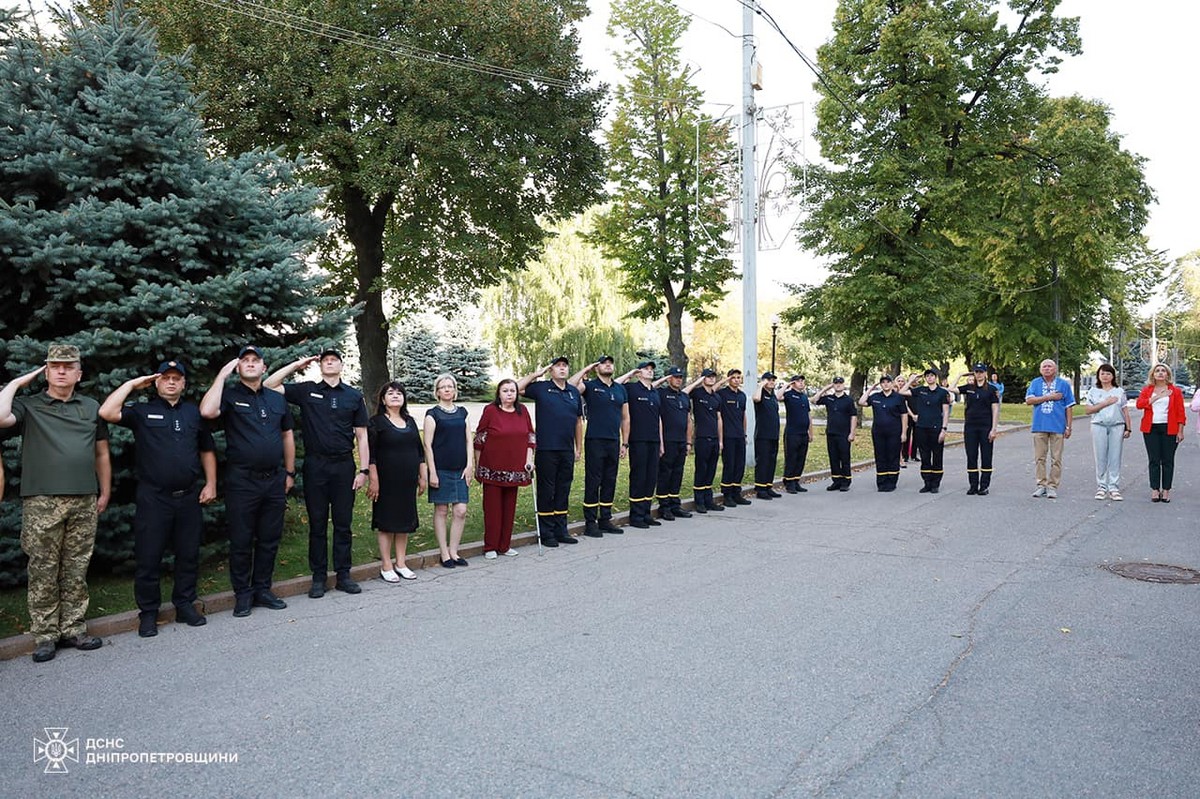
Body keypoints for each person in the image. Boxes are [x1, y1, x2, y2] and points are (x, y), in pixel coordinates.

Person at [0, 344, 111, 663]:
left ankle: (74, 628)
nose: (61, 370)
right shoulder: (28, 405)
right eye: (55, 366)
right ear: (46, 371)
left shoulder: (91, 406)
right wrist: (16, 383)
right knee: (43, 568)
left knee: (77, 567)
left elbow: (101, 453)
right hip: (41, 501)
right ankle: (46, 635)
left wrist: (104, 490)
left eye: (68, 366)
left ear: (79, 373)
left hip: (83, 498)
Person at [99, 360, 217, 637]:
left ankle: (185, 604)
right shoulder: (142, 411)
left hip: (188, 497)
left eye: (177, 378)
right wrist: (131, 384)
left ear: (184, 383)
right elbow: (107, 412)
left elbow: (207, 449)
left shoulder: (193, 413)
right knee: (149, 557)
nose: (172, 382)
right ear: (157, 382)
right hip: (154, 498)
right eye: (166, 378)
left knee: (188, 555)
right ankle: (149, 613)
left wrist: (211, 483)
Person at [265, 349, 370, 598]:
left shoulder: (353, 396)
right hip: (316, 466)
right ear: (320, 365)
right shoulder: (307, 390)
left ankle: (343, 575)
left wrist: (364, 469)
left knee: (343, 523)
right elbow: (270, 384)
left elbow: (362, 436)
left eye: (334, 359)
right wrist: (298, 363)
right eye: (325, 360)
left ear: (342, 365)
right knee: (318, 524)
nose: (330, 362)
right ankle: (319, 577)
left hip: (344, 467)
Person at [200, 345, 295, 617]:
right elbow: (207, 411)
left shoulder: (277, 399)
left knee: (269, 539)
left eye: (256, 360)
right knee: (241, 540)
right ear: (238, 368)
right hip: (242, 481)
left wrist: (289, 473)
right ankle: (243, 594)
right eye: (245, 361)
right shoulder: (229, 397)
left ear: (264, 368)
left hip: (274, 480)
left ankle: (263, 589)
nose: (251, 364)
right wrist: (221, 375)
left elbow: (287, 435)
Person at [518, 357, 583, 547]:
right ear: (551, 370)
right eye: (558, 366)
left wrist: (578, 448)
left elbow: (578, 422)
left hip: (566, 449)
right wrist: (536, 375)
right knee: (547, 490)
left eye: (565, 366)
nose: (562, 369)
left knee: (564, 488)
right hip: (547, 448)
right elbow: (516, 388)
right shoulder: (542, 388)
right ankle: (547, 533)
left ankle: (561, 530)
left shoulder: (573, 392)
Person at [367, 382, 426, 581]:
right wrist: (373, 479)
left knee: (404, 522)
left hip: (407, 481)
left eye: (399, 393)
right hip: (386, 481)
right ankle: (386, 565)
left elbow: (419, 452)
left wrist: (422, 475)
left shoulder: (409, 422)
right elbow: (371, 454)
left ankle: (401, 563)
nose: (395, 396)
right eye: (390, 393)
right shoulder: (376, 422)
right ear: (383, 399)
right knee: (387, 522)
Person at [474, 379, 535, 557]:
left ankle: (505, 545)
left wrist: (529, 460)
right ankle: (490, 546)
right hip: (492, 466)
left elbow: (530, 437)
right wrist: (478, 465)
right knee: (492, 509)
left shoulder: (522, 411)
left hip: (515, 467)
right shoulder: (491, 411)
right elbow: (479, 439)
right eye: (505, 391)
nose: (509, 394)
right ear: (498, 393)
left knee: (509, 508)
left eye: (512, 391)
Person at [570, 355, 629, 536]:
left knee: (609, 480)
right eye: (603, 363)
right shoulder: (590, 386)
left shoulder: (620, 389)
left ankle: (605, 519)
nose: (608, 365)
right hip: (595, 439)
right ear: (597, 368)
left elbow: (625, 417)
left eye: (610, 362)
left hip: (614, 441)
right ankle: (590, 522)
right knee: (593, 481)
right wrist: (587, 367)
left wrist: (625, 443)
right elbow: (570, 386)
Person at [423, 374, 473, 567]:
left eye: (450, 386)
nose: (446, 389)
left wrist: (469, 465)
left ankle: (454, 551)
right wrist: (432, 472)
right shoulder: (432, 414)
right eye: (442, 387)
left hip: (460, 468)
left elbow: (469, 440)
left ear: (454, 390)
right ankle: (444, 553)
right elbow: (427, 445)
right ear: (437, 392)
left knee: (460, 510)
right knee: (442, 510)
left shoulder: (463, 412)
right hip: (441, 469)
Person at [1024, 359, 1075, 499]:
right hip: (1039, 425)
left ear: (1055, 369)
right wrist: (1049, 397)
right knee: (1040, 457)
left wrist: (1068, 426)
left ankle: (1052, 486)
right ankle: (1041, 485)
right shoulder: (1035, 383)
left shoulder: (1063, 384)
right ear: (1040, 369)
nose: (1047, 369)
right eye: (1044, 366)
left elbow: (1069, 406)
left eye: (1050, 366)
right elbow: (1029, 400)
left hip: (1058, 426)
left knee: (1056, 458)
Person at [621, 360, 663, 528]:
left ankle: (646, 512)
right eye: (646, 369)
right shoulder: (631, 388)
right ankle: (636, 515)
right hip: (638, 440)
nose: (650, 371)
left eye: (651, 369)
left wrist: (661, 442)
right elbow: (615, 383)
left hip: (654, 440)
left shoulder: (655, 392)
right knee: (638, 477)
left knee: (651, 477)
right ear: (638, 373)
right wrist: (630, 374)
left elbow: (659, 419)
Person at [947, 364, 1000, 496]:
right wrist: (959, 375)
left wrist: (993, 429)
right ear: (974, 373)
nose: (979, 374)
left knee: (986, 456)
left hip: (985, 427)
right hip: (970, 427)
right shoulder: (969, 388)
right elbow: (951, 389)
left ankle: (984, 486)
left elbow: (995, 410)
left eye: (981, 372)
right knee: (971, 456)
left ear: (985, 373)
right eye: (976, 372)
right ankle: (973, 485)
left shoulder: (992, 389)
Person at [1137, 363, 1186, 503]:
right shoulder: (1147, 390)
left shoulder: (1175, 391)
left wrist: (1180, 431)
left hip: (1169, 428)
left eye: (1163, 371)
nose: (1160, 373)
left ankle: (1166, 490)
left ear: (1167, 374)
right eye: (1157, 371)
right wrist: (1156, 397)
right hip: (1151, 428)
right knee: (1154, 460)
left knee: (1168, 460)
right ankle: (1154, 489)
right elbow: (1140, 404)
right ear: (1153, 374)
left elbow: (1180, 413)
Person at [1084, 364, 1131, 501]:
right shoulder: (1093, 391)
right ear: (1098, 375)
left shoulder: (1119, 391)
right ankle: (1101, 487)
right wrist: (1106, 402)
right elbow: (1088, 410)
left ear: (1113, 376)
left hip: (1117, 425)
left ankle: (1114, 487)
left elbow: (1125, 410)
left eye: (1108, 374)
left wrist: (1128, 428)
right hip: (1099, 425)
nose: (1105, 376)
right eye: (1102, 373)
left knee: (1115, 456)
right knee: (1100, 456)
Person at [900, 369, 951, 493]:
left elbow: (945, 412)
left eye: (932, 376)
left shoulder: (942, 392)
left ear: (935, 377)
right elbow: (902, 391)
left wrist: (944, 429)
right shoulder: (920, 390)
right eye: (927, 376)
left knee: (937, 456)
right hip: (922, 428)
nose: (929, 378)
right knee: (924, 456)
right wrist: (912, 379)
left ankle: (935, 484)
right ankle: (927, 482)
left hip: (936, 428)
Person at [683, 369, 726, 512]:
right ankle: (699, 501)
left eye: (713, 377)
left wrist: (720, 440)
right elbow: (684, 392)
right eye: (708, 377)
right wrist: (698, 381)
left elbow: (719, 419)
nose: (711, 379)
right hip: (701, 437)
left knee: (711, 470)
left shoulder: (716, 397)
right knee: (701, 469)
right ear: (703, 379)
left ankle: (709, 500)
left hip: (714, 438)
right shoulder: (697, 393)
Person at [655, 366, 693, 519]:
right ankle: (664, 507)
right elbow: (650, 386)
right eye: (675, 377)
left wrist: (689, 442)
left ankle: (674, 504)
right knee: (665, 473)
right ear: (669, 378)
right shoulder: (661, 394)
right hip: (667, 441)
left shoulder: (684, 397)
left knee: (678, 473)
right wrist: (661, 443)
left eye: (680, 377)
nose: (678, 379)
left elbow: (688, 420)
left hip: (681, 441)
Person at [859, 375, 906, 491]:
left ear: (891, 384)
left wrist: (904, 432)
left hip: (894, 432)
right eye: (883, 382)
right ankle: (881, 482)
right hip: (878, 432)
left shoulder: (898, 398)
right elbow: (861, 402)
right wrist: (871, 389)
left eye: (887, 382)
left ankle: (891, 481)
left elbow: (904, 415)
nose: (885, 384)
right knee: (880, 456)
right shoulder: (876, 397)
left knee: (892, 456)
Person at [814, 377, 857, 491]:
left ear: (844, 385)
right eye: (836, 383)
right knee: (833, 458)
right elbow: (814, 400)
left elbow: (853, 417)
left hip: (844, 434)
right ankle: (836, 481)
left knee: (844, 458)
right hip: (831, 433)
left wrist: (852, 433)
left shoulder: (848, 400)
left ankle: (845, 481)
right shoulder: (829, 398)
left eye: (840, 383)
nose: (838, 385)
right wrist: (826, 388)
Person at [717, 369, 751, 506]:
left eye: (738, 377)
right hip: (727, 436)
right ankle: (727, 494)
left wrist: (744, 433)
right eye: (733, 377)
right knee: (729, 465)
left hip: (739, 436)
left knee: (739, 465)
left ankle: (736, 492)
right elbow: (712, 389)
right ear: (728, 379)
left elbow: (743, 416)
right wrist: (724, 381)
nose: (736, 380)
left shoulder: (742, 396)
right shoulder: (722, 394)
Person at [751, 372, 782, 500]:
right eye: (769, 380)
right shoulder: (761, 394)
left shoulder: (773, 396)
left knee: (771, 461)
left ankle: (768, 486)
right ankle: (760, 488)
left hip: (773, 434)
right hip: (762, 434)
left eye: (773, 380)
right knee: (763, 462)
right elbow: (756, 399)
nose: (771, 382)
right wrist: (761, 385)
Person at [780, 375, 814, 493]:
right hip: (792, 433)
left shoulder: (804, 397)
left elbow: (808, 415)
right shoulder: (789, 395)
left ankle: (796, 481)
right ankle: (789, 482)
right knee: (791, 458)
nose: (801, 383)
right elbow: (778, 396)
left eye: (802, 381)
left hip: (803, 433)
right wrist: (787, 385)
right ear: (793, 383)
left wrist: (811, 432)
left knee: (801, 458)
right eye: (798, 381)